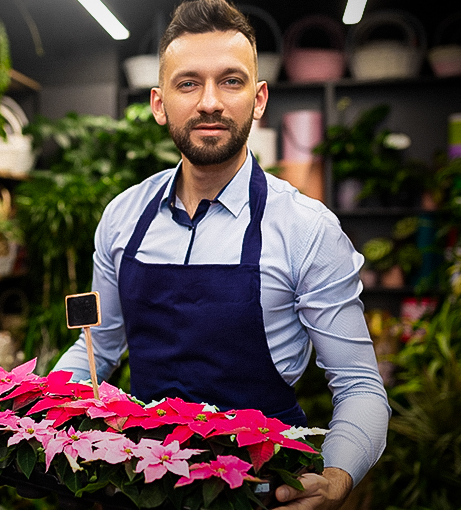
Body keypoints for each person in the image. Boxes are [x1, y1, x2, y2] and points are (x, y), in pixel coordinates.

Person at [51, 0, 390, 508]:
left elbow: (360, 384)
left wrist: (337, 478)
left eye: (230, 82)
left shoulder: (307, 229)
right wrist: (35, 411)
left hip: (263, 492)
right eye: (188, 83)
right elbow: (96, 347)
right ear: (159, 102)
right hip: (140, 487)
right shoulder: (122, 218)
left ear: (258, 100)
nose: (210, 102)